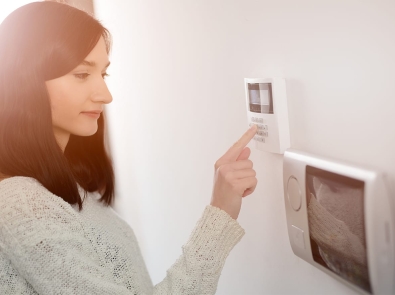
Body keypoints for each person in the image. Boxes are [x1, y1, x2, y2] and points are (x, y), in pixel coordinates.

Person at [0, 2, 258, 294]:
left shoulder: (60, 184)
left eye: (103, 75)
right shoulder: (20, 202)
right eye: (82, 74)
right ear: (24, 80)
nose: (105, 95)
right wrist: (219, 215)